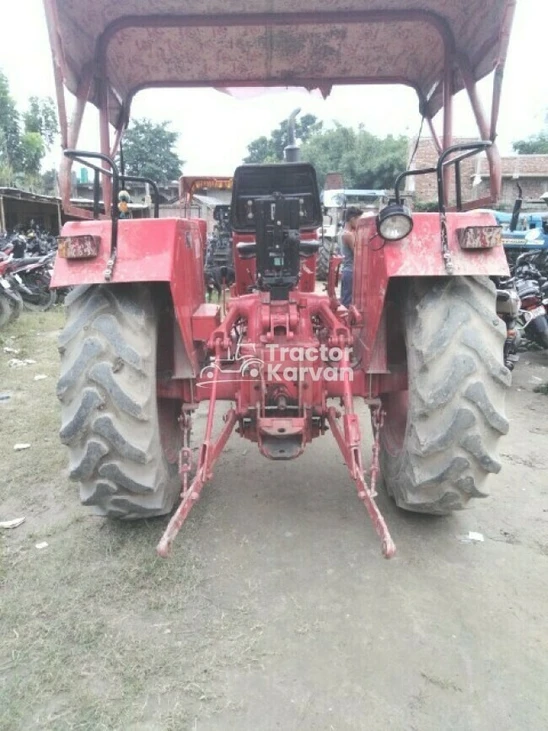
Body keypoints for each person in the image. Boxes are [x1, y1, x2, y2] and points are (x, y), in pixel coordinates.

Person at [340, 207, 363, 307]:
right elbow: (358, 253)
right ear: (352, 219)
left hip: (347, 271)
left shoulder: (342, 232)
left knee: (346, 299)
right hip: (351, 271)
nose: (359, 223)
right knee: (347, 303)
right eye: (359, 219)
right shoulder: (348, 235)